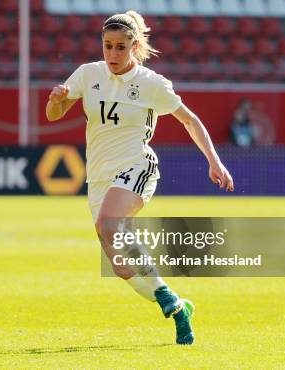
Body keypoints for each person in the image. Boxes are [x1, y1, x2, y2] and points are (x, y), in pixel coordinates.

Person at [45, 11, 234, 345]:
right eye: (108, 46)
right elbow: (53, 115)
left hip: (137, 165)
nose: (113, 54)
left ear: (134, 45)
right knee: (121, 266)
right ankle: (175, 305)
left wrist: (214, 162)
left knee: (108, 225)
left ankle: (169, 301)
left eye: (121, 47)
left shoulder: (151, 83)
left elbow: (189, 120)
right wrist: (56, 100)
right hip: (99, 177)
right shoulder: (88, 74)